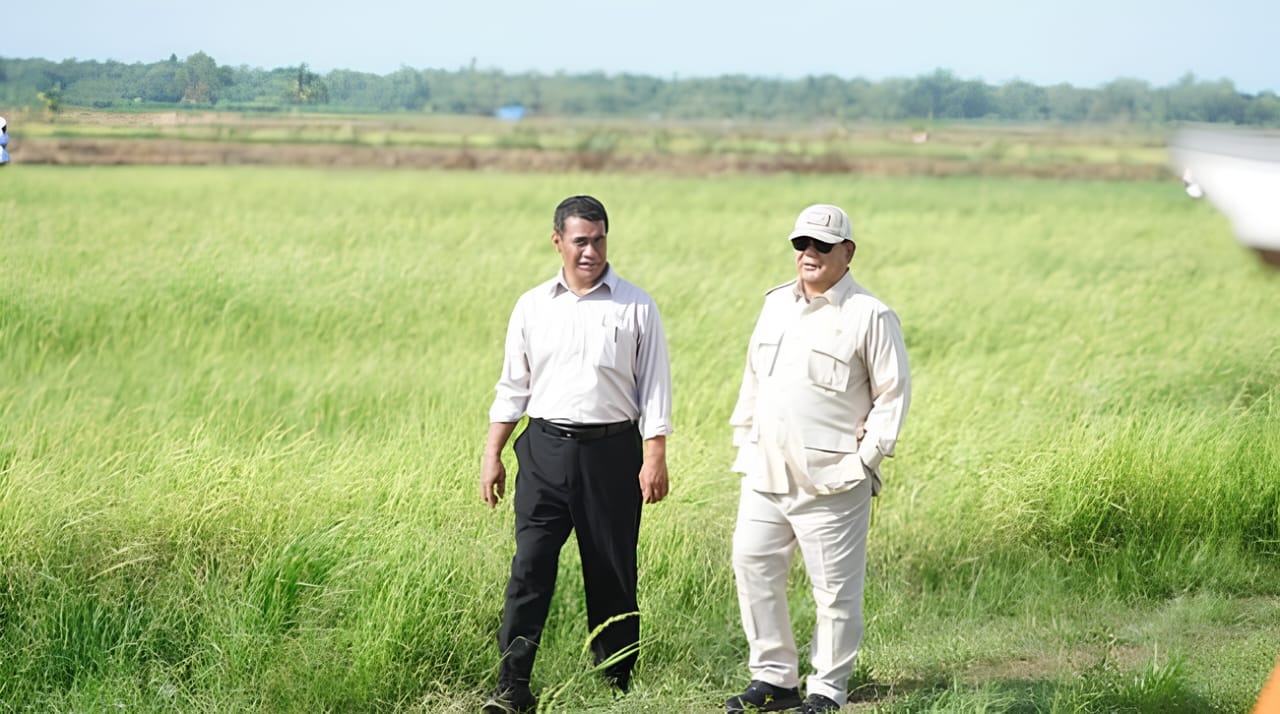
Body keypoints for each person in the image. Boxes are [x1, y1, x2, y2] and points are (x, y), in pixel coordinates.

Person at [479, 195, 673, 714]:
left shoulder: (636, 305)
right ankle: (512, 686)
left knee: (611, 571)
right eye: (580, 240)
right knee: (529, 568)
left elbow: (654, 388)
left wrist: (654, 455)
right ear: (558, 241)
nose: (590, 250)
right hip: (542, 452)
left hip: (612, 454)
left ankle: (615, 687)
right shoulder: (532, 305)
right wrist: (492, 452)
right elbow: (512, 386)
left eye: (599, 239)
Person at [725, 204, 910, 714]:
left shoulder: (870, 315)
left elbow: (893, 396)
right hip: (765, 470)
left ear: (847, 253)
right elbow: (754, 381)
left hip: (833, 478)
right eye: (801, 244)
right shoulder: (774, 305)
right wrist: (746, 442)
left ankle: (827, 688)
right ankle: (774, 679)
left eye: (822, 246)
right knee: (752, 562)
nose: (809, 254)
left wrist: (864, 460)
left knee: (833, 590)